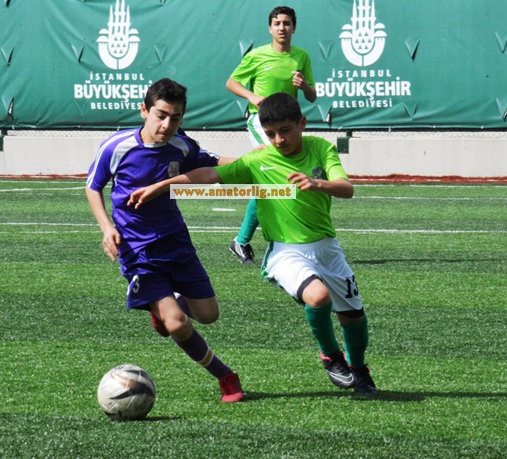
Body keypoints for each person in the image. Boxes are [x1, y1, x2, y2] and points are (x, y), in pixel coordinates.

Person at [129, 93, 376, 394]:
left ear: (302, 123)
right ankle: (331, 356)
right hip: (286, 252)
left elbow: (346, 188)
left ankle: (359, 369)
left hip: (328, 249)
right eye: (270, 134)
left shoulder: (321, 148)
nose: (279, 140)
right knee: (318, 297)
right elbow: (210, 174)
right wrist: (163, 185)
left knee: (353, 317)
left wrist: (317, 183)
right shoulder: (259, 159)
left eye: (285, 131)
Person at [85, 78, 244, 403]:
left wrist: (262, 162)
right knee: (177, 323)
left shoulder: (182, 145)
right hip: (137, 250)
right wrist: (106, 228)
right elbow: (93, 186)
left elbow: (214, 164)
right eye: (161, 115)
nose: (166, 125)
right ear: (144, 111)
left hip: (176, 242)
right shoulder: (116, 146)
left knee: (209, 315)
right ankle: (225, 375)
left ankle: (164, 309)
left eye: (175, 118)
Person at [226, 5, 317, 264]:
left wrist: (304, 86)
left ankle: (245, 240)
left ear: (294, 28)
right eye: (277, 23)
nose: (282, 27)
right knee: (271, 178)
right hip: (261, 122)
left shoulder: (301, 56)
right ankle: (246, 240)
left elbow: (312, 96)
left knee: (274, 181)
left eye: (286, 23)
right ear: (269, 28)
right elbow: (231, 82)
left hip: (287, 125)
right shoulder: (257, 55)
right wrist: (253, 97)